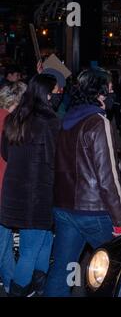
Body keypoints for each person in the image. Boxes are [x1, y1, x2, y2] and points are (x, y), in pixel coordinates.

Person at [45, 68, 121, 297]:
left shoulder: (65, 119)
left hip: (64, 207)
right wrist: (120, 221)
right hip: (94, 211)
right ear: (99, 92)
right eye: (109, 88)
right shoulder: (98, 122)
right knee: (117, 272)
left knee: (61, 270)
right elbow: (108, 177)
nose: (112, 92)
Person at [0, 74, 60, 296]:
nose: (57, 97)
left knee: (44, 240)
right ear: (46, 94)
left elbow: (5, 153)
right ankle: (18, 291)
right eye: (55, 93)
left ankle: (37, 285)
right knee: (31, 250)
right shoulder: (49, 122)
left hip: (14, 192)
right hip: (38, 194)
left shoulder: (14, 119)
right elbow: (55, 160)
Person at [0, 81, 27, 294]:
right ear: (16, 102)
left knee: (6, 241)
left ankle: (10, 284)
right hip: (4, 192)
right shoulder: (10, 123)